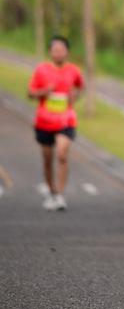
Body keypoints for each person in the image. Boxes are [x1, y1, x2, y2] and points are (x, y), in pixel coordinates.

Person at [28, 35, 84, 211]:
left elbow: (79, 87)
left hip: (66, 120)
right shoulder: (41, 70)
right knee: (47, 160)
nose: (58, 53)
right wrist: (45, 91)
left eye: (62, 50)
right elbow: (30, 93)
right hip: (44, 121)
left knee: (62, 154)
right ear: (50, 52)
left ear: (67, 52)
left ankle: (60, 195)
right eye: (55, 50)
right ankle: (52, 192)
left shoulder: (73, 71)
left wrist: (75, 95)